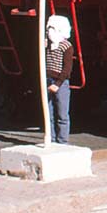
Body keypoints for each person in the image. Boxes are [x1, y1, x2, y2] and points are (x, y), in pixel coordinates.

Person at [45, 14, 74, 145]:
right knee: (49, 113)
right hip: (48, 80)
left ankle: (62, 141)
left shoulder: (66, 46)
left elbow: (67, 69)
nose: (48, 31)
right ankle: (51, 139)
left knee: (62, 114)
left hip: (60, 83)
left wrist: (57, 84)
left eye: (51, 29)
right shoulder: (48, 44)